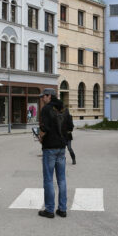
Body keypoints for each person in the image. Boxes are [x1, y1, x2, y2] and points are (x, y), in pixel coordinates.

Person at [38, 88, 70, 219]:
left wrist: (40, 137)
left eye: (43, 97)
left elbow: (44, 128)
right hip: (62, 148)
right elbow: (70, 127)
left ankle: (50, 210)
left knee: (49, 179)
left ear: (49, 96)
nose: (42, 99)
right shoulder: (64, 109)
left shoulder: (46, 109)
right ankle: (62, 209)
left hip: (50, 147)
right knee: (62, 179)